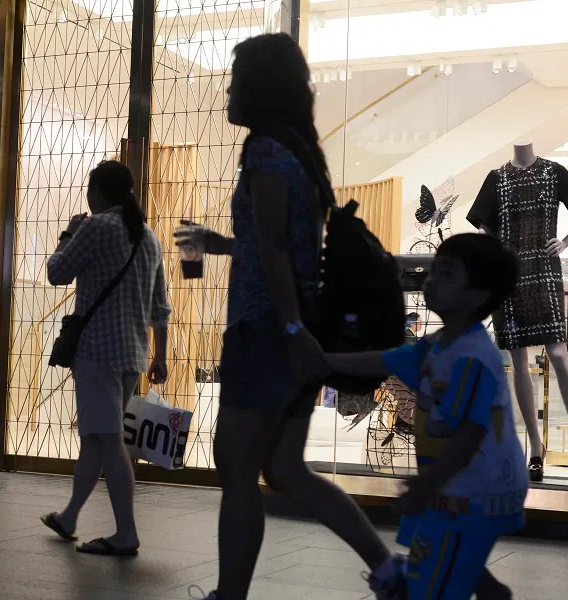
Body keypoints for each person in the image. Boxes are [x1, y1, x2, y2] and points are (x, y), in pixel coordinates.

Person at [176, 34, 406, 600]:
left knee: (234, 467)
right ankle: (389, 570)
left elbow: (277, 250)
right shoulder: (298, 150)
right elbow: (276, 243)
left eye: (235, 79)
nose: (228, 90)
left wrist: (289, 329)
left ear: (260, 86)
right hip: (290, 329)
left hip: (267, 331)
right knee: (283, 468)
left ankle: (230, 595)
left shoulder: (264, 149)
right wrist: (224, 245)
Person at [323, 233, 527, 600]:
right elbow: (384, 359)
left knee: (434, 575)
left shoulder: (472, 357)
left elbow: (470, 432)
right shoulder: (436, 345)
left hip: (477, 491)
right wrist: (323, 362)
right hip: (456, 484)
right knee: (453, 556)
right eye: (435, 271)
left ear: (477, 296)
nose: (431, 280)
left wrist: (426, 485)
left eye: (446, 274)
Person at [40, 161, 171, 556]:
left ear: (96, 191)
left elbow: (56, 272)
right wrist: (160, 356)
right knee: (95, 442)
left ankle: (126, 534)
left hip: (97, 353)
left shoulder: (95, 228)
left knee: (108, 441)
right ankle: (70, 517)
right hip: (132, 354)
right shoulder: (148, 237)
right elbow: (160, 308)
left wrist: (68, 233)